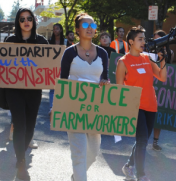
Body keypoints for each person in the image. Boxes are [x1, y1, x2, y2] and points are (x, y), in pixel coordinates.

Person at [60, 13, 109, 181]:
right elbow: (63, 82)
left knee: (93, 153)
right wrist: (56, 107)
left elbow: (105, 77)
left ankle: (76, 176)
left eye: (93, 25)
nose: (90, 28)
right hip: (74, 109)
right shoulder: (69, 53)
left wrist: (105, 82)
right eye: (86, 25)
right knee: (79, 153)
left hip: (95, 111)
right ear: (77, 30)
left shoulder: (102, 53)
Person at [116, 25, 167, 181]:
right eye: (140, 39)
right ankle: (141, 175)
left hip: (151, 104)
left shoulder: (147, 58)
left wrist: (163, 59)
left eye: (144, 39)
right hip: (135, 106)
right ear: (130, 41)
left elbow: (162, 77)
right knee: (143, 139)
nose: (143, 42)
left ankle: (128, 166)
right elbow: (119, 88)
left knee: (142, 141)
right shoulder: (123, 62)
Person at [4, 7, 48, 180]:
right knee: (20, 124)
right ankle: (20, 159)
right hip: (13, 91)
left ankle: (22, 153)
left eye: (29, 18)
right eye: (22, 19)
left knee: (30, 126)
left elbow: (48, 64)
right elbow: (2, 64)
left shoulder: (42, 41)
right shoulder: (10, 40)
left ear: (33, 20)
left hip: (34, 90)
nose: (26, 22)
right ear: (18, 22)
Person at [152, 29, 175, 151]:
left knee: (159, 115)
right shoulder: (148, 51)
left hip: (161, 87)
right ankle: (141, 140)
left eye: (158, 39)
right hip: (149, 85)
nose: (156, 41)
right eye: (155, 38)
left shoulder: (170, 52)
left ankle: (155, 141)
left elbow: (171, 69)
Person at [48, 23, 64, 115]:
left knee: (62, 88)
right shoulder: (50, 41)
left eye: (57, 29)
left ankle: (60, 108)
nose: (55, 30)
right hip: (52, 68)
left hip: (63, 68)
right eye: (54, 29)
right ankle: (51, 108)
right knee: (52, 88)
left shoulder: (66, 42)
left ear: (61, 30)